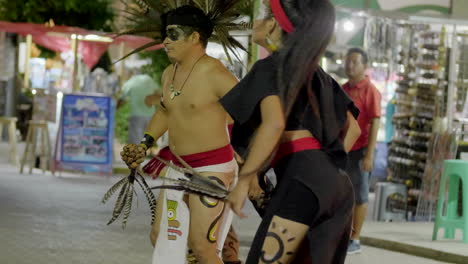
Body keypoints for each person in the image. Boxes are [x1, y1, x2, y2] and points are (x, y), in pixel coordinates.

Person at [220, 0, 361, 263]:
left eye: (263, 16)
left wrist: (244, 180)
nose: (256, 22)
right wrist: (322, 171)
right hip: (337, 187)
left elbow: (274, 124)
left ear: (273, 23)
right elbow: (352, 128)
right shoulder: (316, 73)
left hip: (303, 181)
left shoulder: (270, 67)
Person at [120, 4, 247, 264]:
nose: (166, 41)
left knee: (203, 248)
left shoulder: (215, 73)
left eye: (173, 34)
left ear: (194, 37)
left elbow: (250, 113)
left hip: (212, 170)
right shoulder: (170, 73)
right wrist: (145, 144)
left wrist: (246, 155)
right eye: (165, 35)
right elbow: (166, 112)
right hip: (177, 167)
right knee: (161, 237)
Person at [343, 47, 382, 254]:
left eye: (355, 62)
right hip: (343, 149)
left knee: (360, 195)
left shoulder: (370, 91)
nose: (350, 65)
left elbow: (375, 122)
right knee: (342, 194)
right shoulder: (342, 89)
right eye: (348, 61)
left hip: (361, 150)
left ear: (364, 66)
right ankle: (343, 234)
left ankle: (355, 238)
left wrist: (370, 154)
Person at [117, 71, 161, 144]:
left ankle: (138, 154)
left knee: (135, 141)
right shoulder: (149, 79)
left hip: (136, 115)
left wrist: (116, 109)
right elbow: (157, 93)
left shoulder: (130, 82)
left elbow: (122, 99)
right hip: (150, 115)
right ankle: (145, 154)